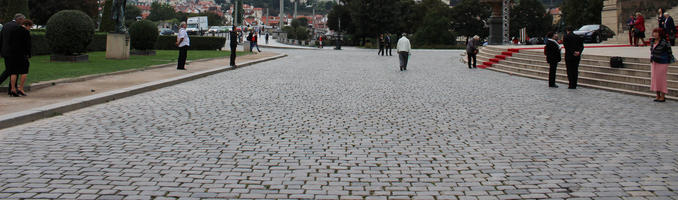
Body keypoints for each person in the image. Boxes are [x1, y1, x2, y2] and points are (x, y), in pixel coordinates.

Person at [0, 14, 27, 97]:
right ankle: (12, 89)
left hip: (5, 52)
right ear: (19, 19)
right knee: (13, 71)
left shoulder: (5, 25)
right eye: (23, 20)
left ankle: (12, 89)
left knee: (10, 70)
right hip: (14, 52)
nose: (23, 22)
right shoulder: (17, 27)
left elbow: (1, 39)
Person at [650, 28, 673, 102]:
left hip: (662, 62)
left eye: (656, 32)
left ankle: (663, 96)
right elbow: (652, 51)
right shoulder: (652, 41)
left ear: (660, 33)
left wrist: (668, 60)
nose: (655, 34)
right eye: (654, 32)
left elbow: (669, 52)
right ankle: (657, 95)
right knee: (655, 78)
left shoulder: (665, 42)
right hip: (654, 62)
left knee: (661, 79)